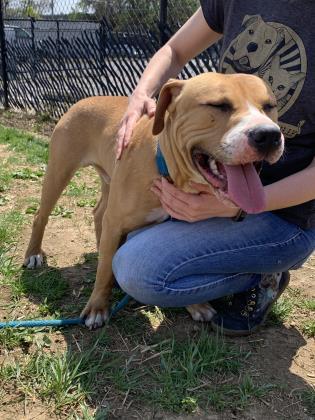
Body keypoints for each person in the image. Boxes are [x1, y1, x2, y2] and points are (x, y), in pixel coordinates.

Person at [111, 1, 315, 335]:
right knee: (132, 237)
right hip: (228, 173)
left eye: (269, 108)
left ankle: (263, 274)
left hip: (287, 217)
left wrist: (239, 204)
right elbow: (175, 50)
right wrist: (140, 94)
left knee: (139, 272)